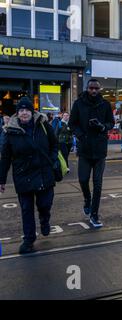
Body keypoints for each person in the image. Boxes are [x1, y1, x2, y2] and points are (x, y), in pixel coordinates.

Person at [0, 97, 58, 254]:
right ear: (17, 113)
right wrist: (2, 179)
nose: (24, 113)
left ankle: (44, 219)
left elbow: (54, 144)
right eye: (21, 110)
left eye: (27, 110)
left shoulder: (43, 125)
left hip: (43, 172)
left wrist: (53, 160)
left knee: (45, 204)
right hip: (22, 175)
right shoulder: (10, 131)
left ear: (32, 112)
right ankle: (29, 240)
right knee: (26, 209)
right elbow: (5, 156)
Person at [68, 79, 114, 228]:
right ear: (87, 88)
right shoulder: (78, 103)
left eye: (96, 88)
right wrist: (81, 135)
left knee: (98, 184)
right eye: (91, 88)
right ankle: (87, 199)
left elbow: (111, 123)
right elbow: (72, 124)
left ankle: (94, 214)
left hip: (100, 150)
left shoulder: (105, 104)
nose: (94, 91)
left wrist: (102, 127)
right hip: (85, 149)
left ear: (100, 89)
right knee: (82, 179)